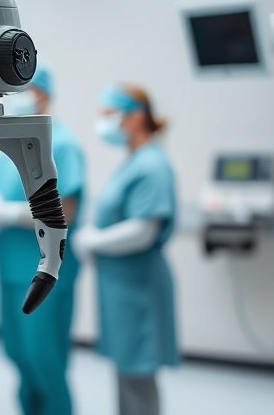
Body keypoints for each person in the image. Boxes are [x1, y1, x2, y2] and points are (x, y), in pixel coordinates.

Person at [0, 67, 85, 415]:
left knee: (44, 360)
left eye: (22, 90)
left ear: (43, 95)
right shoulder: (10, 146)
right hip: (11, 272)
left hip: (45, 275)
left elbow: (64, 212)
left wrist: (9, 213)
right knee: (19, 356)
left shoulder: (62, 145)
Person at [75, 84, 179, 415]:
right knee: (126, 372)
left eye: (109, 115)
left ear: (135, 117)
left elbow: (143, 231)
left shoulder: (152, 165)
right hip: (122, 285)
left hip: (138, 287)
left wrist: (92, 240)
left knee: (137, 375)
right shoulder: (134, 161)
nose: (102, 124)